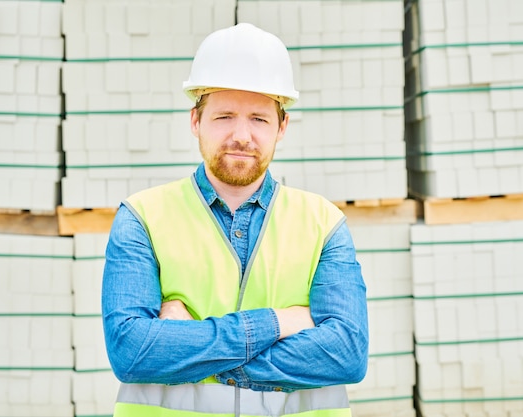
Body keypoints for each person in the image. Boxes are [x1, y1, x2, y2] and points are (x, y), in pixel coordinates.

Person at [101, 22, 369, 417]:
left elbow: (346, 355)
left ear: (282, 127)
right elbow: (132, 352)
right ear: (196, 121)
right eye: (224, 116)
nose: (241, 135)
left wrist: (187, 345)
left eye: (259, 119)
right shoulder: (142, 218)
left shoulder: (323, 224)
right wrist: (278, 322)